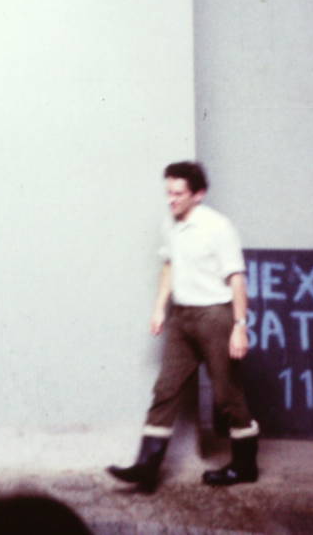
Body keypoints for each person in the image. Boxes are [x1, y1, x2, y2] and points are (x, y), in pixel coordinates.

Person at [106, 161, 259, 492]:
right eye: (168, 193)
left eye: (178, 194)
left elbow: (237, 278)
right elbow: (169, 266)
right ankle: (146, 468)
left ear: (198, 194)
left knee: (227, 396)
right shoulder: (170, 225)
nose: (171, 200)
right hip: (182, 318)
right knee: (165, 390)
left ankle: (245, 466)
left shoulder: (219, 227)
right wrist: (160, 309)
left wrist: (239, 325)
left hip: (215, 317)